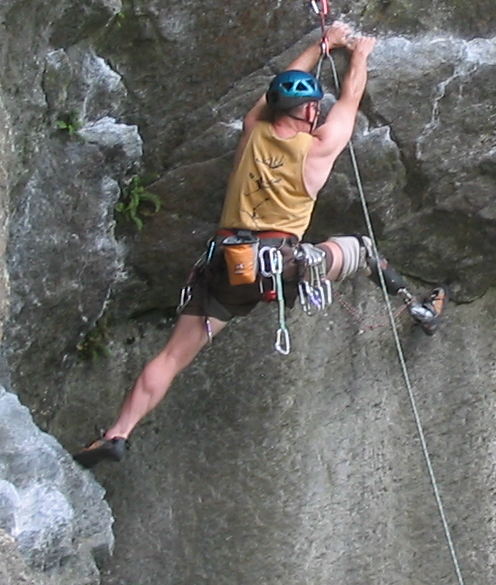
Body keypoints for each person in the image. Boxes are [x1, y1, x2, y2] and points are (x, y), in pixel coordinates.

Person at [73, 23, 445, 467]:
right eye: (312, 107)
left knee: (172, 356)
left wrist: (319, 45)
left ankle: (117, 434)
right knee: (361, 249)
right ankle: (418, 306)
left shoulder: (253, 132)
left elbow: (275, 89)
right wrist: (358, 52)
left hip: (227, 266)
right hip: (283, 266)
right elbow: (350, 100)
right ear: (308, 112)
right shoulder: (319, 148)